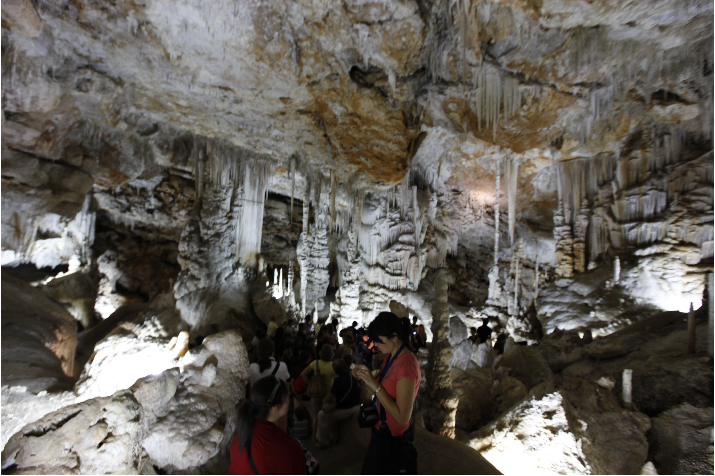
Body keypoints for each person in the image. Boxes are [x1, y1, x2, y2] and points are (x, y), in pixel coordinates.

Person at [353, 312, 421, 475]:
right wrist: (364, 373)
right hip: (381, 431)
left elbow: (403, 417)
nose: (376, 345)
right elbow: (384, 381)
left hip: (393, 440)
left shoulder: (406, 366)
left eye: (379, 341)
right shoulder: (391, 356)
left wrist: (375, 385)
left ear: (394, 337)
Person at [229, 376, 305, 474]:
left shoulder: (242, 429)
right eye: (287, 397)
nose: (288, 401)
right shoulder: (286, 449)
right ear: (275, 408)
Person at [315, 358, 361, 448]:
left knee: (321, 415)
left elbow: (330, 397)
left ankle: (323, 441)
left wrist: (324, 401)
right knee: (332, 415)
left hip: (346, 409)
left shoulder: (338, 380)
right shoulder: (352, 376)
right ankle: (334, 437)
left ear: (335, 370)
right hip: (356, 406)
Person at [300, 343, 336, 429]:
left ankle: (315, 436)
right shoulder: (334, 365)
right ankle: (327, 434)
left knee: (316, 417)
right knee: (328, 416)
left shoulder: (315, 363)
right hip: (329, 394)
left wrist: (310, 384)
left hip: (316, 393)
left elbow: (303, 374)